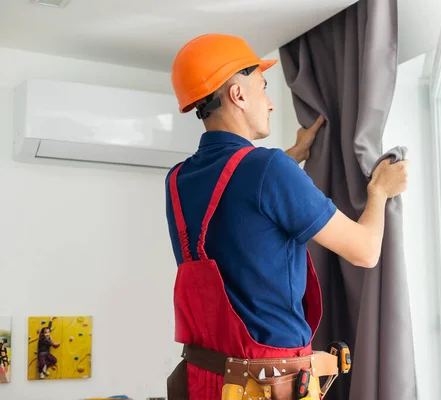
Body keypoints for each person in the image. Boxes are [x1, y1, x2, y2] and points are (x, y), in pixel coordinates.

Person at [165, 34, 409, 400]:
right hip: (269, 386)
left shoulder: (177, 180)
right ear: (238, 95)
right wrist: (379, 193)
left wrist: (292, 155)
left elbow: (240, 205)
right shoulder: (268, 170)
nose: (271, 103)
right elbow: (365, 251)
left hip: (207, 381)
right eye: (262, 88)